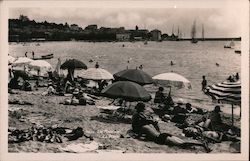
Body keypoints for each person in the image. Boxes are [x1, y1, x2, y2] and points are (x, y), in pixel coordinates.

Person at [131, 102, 211, 152]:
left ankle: (202, 145)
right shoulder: (148, 125)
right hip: (163, 134)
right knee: (183, 142)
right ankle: (201, 145)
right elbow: (154, 129)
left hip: (161, 138)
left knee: (183, 144)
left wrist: (135, 136)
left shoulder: (143, 127)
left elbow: (140, 136)